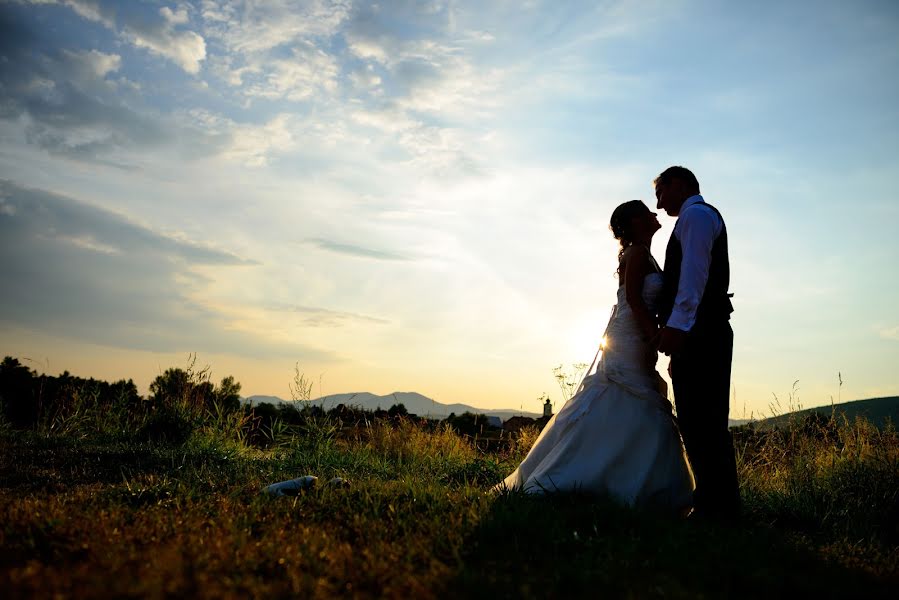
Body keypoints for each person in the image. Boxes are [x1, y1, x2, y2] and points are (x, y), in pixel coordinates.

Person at [495, 200, 694, 514]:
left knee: (632, 404)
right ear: (635, 222)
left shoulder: (644, 253)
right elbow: (634, 301)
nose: (654, 214)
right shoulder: (639, 254)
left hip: (632, 334)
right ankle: (600, 480)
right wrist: (652, 338)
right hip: (629, 336)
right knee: (629, 400)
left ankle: (627, 481)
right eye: (646, 212)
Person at [653, 166, 740, 519]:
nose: (658, 205)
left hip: (702, 330)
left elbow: (694, 278)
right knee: (695, 418)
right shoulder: (692, 218)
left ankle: (717, 508)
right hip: (699, 332)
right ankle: (716, 503)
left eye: (660, 194)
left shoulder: (697, 216)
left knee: (705, 420)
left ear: (678, 184)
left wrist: (677, 329)